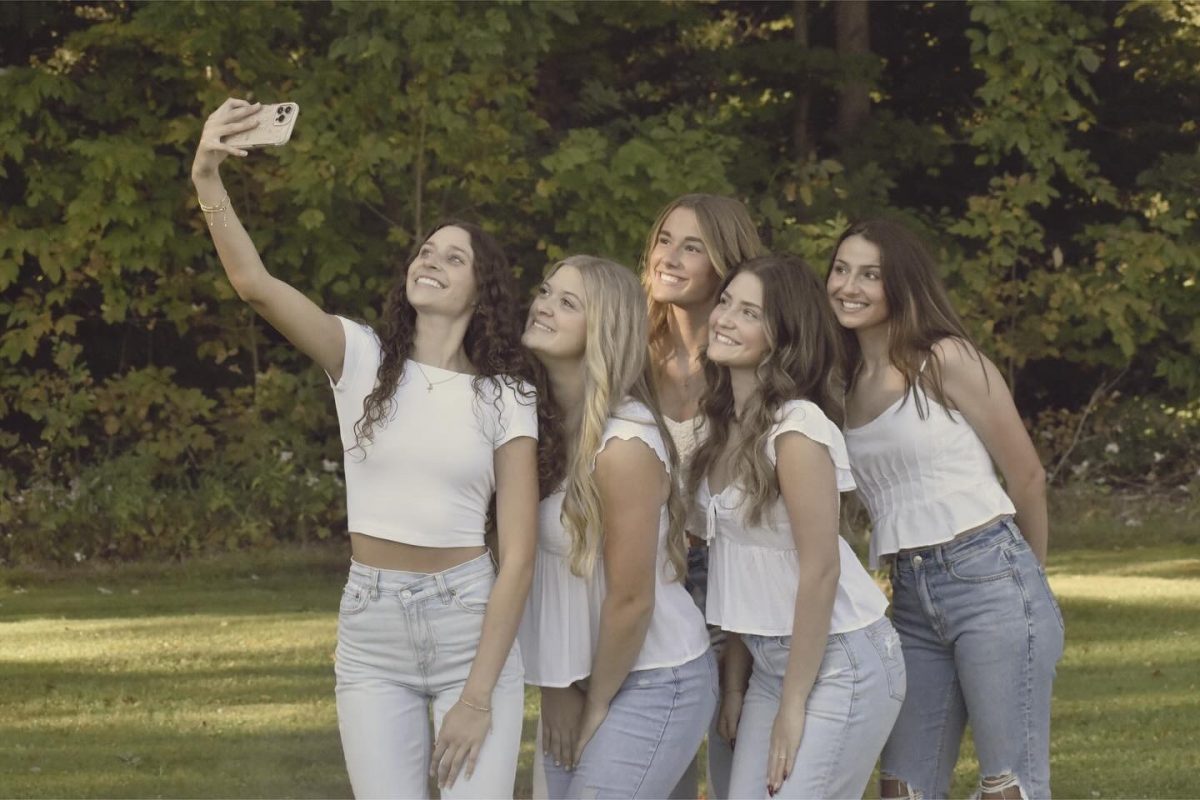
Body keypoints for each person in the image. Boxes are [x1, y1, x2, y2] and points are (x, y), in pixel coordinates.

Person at [192, 98, 538, 799]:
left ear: (482, 289)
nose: (431, 261)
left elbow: (520, 556)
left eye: (454, 256)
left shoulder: (507, 396)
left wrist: (477, 697)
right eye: (425, 250)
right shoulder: (362, 358)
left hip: (466, 624)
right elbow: (254, 286)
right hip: (371, 630)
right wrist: (207, 180)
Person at [827, 219, 1063, 799]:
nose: (848, 286)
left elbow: (1027, 476)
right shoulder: (840, 382)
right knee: (902, 788)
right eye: (840, 269)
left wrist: (1028, 579)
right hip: (907, 594)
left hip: (992, 576)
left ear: (901, 285)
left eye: (870, 275)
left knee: (1007, 785)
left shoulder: (945, 359)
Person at [690, 254, 905, 799]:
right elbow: (739, 567)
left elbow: (821, 570)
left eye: (750, 313)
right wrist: (738, 683)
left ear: (783, 335)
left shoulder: (797, 427)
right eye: (725, 303)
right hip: (769, 664)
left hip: (840, 662)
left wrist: (792, 705)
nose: (725, 319)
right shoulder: (721, 424)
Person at [518, 256, 716, 798]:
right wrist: (558, 685)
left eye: (568, 303)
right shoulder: (532, 422)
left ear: (604, 329)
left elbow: (631, 600)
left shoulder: (624, 444)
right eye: (545, 290)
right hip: (578, 676)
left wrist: (596, 701)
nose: (543, 306)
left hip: (652, 677)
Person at [639, 194, 767, 799]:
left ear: (727, 265)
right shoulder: (630, 360)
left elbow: (762, 528)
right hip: (654, 582)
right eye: (665, 240)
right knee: (659, 773)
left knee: (736, 757)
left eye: (693, 246)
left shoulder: (749, 370)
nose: (670, 256)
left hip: (738, 580)